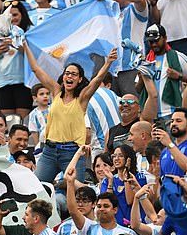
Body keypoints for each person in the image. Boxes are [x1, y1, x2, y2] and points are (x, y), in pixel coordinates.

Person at [23, 40, 117, 183]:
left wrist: (108, 62)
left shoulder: (82, 98)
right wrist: (25, 46)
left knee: (75, 191)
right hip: (49, 151)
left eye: (74, 74)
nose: (69, 76)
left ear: (79, 79)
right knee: (38, 188)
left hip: (72, 153)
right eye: (67, 73)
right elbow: (36, 69)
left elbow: (97, 80)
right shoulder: (55, 91)